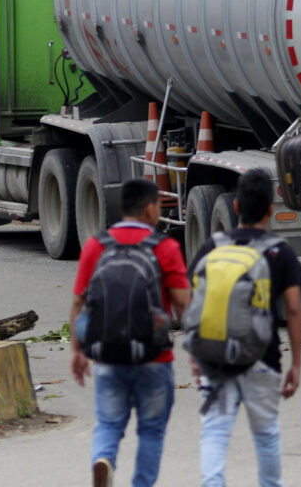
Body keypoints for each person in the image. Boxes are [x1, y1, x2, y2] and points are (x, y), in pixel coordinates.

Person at [69, 178, 190, 487]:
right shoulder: (165, 247)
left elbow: (79, 303)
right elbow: (181, 303)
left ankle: (103, 459)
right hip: (154, 357)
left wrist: (77, 350)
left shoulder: (97, 245)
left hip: (108, 356)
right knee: (151, 430)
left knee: (108, 424)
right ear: (150, 208)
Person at [189, 168, 301, 487]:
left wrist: (194, 352)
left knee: (214, 430)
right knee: (266, 434)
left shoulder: (212, 246)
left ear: (236, 207)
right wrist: (296, 362)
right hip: (262, 359)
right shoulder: (279, 251)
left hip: (214, 358)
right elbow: (294, 308)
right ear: (271, 210)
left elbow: (194, 300)